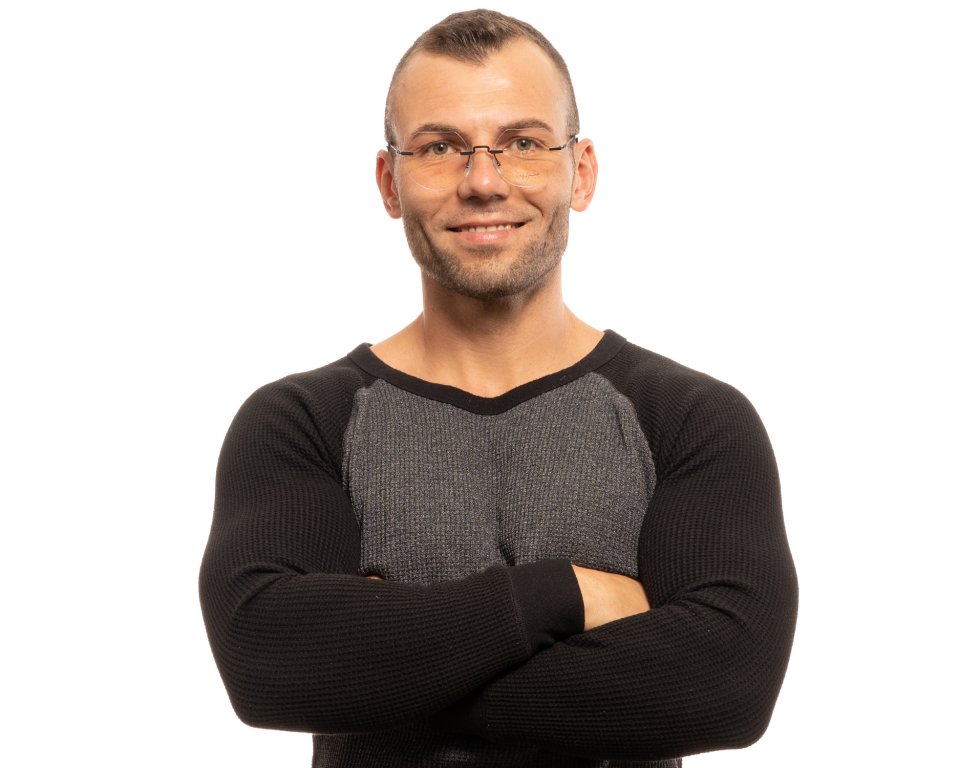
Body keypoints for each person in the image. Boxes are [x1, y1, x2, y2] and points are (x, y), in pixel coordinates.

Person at [199, 9, 798, 767]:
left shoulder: (691, 420)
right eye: (439, 147)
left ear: (581, 171)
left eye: (523, 143)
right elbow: (269, 662)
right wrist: (565, 597)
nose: (484, 182)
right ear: (389, 182)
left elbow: (726, 687)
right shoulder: (300, 423)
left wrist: (388, 662)